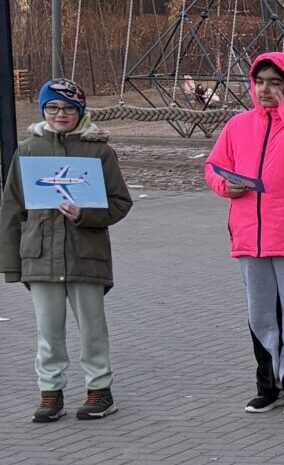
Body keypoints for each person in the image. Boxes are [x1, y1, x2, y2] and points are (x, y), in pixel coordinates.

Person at [205, 52, 284, 415]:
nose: (265, 90)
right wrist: (223, 185)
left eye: (275, 83)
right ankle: (268, 386)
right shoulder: (238, 125)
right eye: (260, 82)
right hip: (250, 239)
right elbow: (213, 167)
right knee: (261, 317)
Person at [0, 78, 132, 422]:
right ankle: (50, 393)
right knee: (48, 333)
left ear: (80, 111)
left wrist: (85, 215)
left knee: (92, 330)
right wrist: (12, 264)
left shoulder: (99, 152)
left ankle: (99, 390)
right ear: (42, 110)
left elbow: (120, 202)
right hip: (40, 257)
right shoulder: (28, 150)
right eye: (53, 107)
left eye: (69, 108)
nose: (60, 114)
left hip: (86, 256)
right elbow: (12, 208)